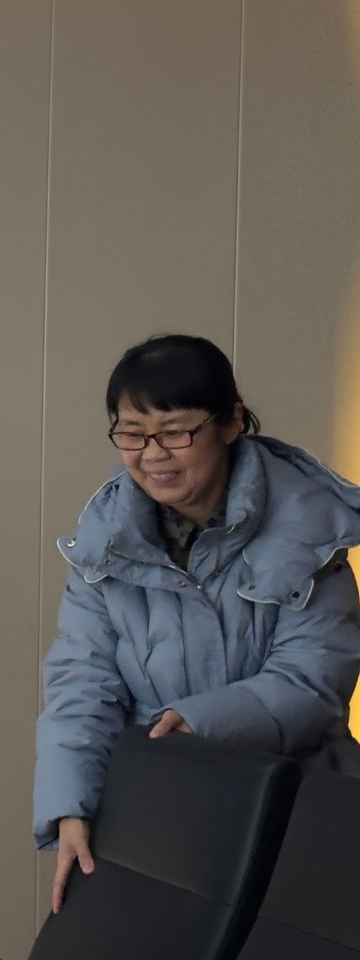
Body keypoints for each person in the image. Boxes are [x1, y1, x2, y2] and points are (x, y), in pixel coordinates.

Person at [37, 333, 360, 912]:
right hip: (164, 813)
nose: (153, 454)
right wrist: (71, 807)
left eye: (176, 431)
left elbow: (312, 681)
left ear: (231, 422)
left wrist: (196, 724)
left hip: (295, 813)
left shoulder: (308, 529)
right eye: (132, 433)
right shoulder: (103, 545)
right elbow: (81, 683)